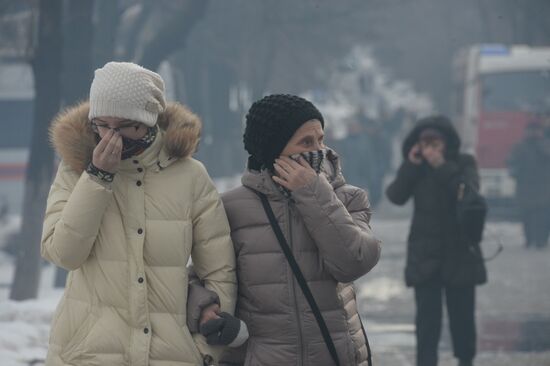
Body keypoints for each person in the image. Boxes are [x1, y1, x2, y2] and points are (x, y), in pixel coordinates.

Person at [41, 61, 237, 366]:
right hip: (86, 355)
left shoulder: (190, 176)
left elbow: (219, 270)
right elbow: (64, 254)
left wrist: (205, 351)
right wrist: (96, 178)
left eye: (124, 126)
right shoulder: (74, 170)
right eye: (102, 125)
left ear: (148, 121)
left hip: (170, 356)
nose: (110, 136)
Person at [206, 94, 381, 366]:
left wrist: (313, 192)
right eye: (306, 143)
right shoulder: (231, 208)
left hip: (333, 356)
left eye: (321, 140)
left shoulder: (348, 198)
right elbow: (202, 276)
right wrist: (205, 310)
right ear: (274, 149)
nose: (318, 151)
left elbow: (354, 262)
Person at [386, 115, 487, 366]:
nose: (430, 147)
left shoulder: (463, 162)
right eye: (425, 141)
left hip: (459, 251)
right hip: (425, 253)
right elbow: (395, 196)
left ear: (447, 142)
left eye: (435, 141)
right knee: (427, 322)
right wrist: (410, 166)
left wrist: (441, 165)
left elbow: (468, 191)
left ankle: (466, 360)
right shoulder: (416, 167)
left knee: (462, 317)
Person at [508, 116, 550, 249]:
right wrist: (514, 170)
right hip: (525, 187)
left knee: (543, 217)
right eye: (530, 130)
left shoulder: (546, 145)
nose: (533, 133)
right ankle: (529, 239)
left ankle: (541, 241)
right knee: (527, 216)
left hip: (544, 188)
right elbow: (511, 161)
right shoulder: (520, 146)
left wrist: (540, 144)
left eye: (536, 130)